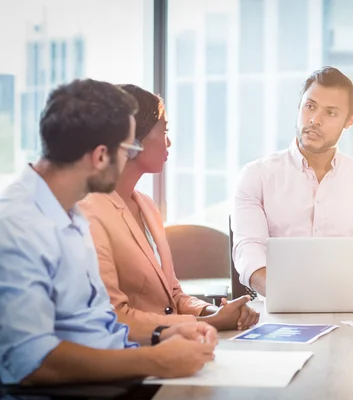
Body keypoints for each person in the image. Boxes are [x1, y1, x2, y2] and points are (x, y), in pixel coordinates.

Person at [0, 79, 217, 385]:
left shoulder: (68, 210)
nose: (131, 158)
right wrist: (154, 360)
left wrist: (164, 333)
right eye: (129, 149)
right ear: (101, 156)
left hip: (116, 374)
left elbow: (99, 324)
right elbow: (32, 362)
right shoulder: (18, 225)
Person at [79, 84, 259, 331]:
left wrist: (216, 312)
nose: (169, 142)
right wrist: (209, 323)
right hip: (135, 355)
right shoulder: (89, 212)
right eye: (164, 131)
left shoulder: (146, 205)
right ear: (132, 140)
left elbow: (173, 295)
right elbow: (115, 317)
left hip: (175, 345)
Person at [231, 66, 353, 297]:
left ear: (350, 120)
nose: (314, 120)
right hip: (277, 312)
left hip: (351, 310)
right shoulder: (256, 176)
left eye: (330, 113)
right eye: (310, 106)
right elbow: (249, 251)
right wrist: (292, 297)